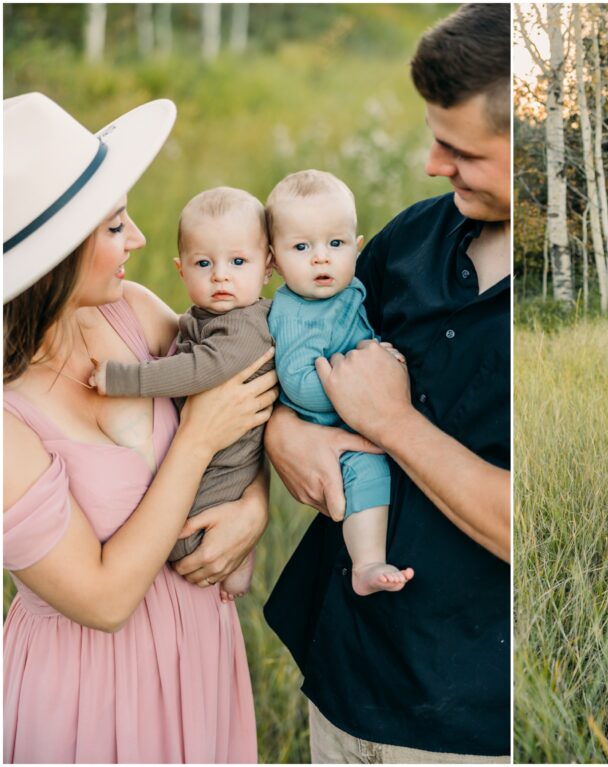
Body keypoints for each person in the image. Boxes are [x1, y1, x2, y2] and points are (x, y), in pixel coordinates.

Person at [262, 4, 510, 762]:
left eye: (459, 149)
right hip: (343, 663)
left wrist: (393, 423)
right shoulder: (408, 240)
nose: (434, 164)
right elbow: (287, 359)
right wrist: (283, 433)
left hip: (463, 713)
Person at [3, 93, 276, 761]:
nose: (140, 241)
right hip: (88, 688)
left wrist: (254, 502)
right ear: (57, 255)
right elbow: (102, 599)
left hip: (199, 648)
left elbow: (247, 387)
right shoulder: (8, 418)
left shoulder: (133, 311)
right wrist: (195, 441)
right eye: (115, 226)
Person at [91, 186, 274, 601]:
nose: (220, 275)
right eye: (204, 263)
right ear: (181, 270)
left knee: (182, 541)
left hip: (227, 463)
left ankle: (239, 563)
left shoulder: (246, 327)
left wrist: (123, 379)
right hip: (216, 454)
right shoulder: (206, 316)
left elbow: (197, 370)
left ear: (268, 267)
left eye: (238, 262)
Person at [266, 169, 413, 596]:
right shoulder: (294, 312)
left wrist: (381, 355)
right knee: (366, 470)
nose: (321, 258)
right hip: (331, 424)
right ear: (273, 260)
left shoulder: (350, 291)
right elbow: (297, 383)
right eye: (301, 247)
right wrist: (353, 380)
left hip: (361, 409)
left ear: (357, 247)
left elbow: (364, 335)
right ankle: (367, 564)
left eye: (336, 244)